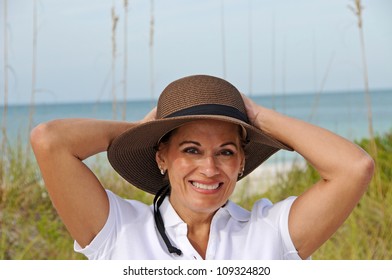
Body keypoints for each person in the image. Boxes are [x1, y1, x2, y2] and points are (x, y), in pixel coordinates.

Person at [30, 74, 374, 260]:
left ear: (241, 162)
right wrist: (139, 132)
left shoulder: (272, 233)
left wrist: (257, 117)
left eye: (225, 152)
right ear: (161, 157)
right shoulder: (116, 230)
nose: (209, 168)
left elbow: (355, 167)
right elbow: (50, 141)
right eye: (191, 150)